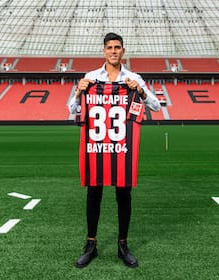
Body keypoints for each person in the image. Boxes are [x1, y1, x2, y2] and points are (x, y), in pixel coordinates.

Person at [68, 32, 160, 269]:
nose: (113, 51)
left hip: (122, 146)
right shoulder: (89, 77)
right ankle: (90, 244)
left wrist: (138, 90)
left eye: (117, 47)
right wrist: (79, 92)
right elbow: (72, 108)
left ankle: (122, 245)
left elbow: (156, 106)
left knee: (123, 195)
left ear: (123, 51)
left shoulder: (133, 78)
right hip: (97, 145)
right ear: (103, 51)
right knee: (93, 194)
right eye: (109, 47)